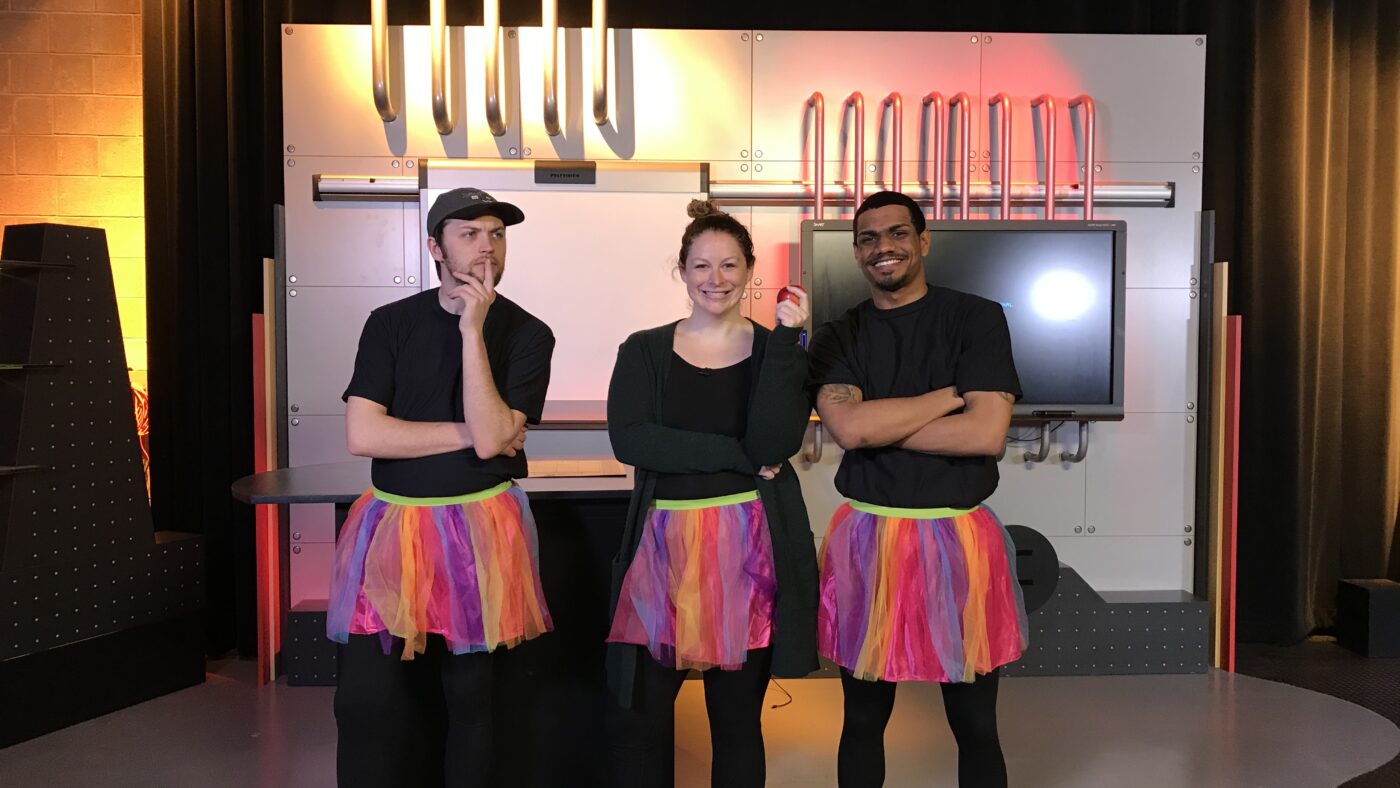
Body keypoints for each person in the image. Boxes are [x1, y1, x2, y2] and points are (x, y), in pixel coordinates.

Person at [327, 187, 556, 787]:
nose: (486, 246)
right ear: (435, 245)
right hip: (392, 527)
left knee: (474, 703)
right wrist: (476, 431)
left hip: (482, 531)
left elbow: (492, 441)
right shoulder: (390, 323)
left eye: (496, 234)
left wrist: (472, 332)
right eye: (469, 233)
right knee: (366, 702)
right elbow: (364, 433)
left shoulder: (529, 334)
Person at [807, 191, 1028, 788]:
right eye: (869, 238)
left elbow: (985, 433)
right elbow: (850, 429)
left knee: (976, 723)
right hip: (868, 540)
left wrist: (881, 426)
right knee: (862, 720)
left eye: (897, 234)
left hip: (960, 539)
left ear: (923, 240)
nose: (884, 248)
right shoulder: (837, 335)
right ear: (856, 252)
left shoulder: (977, 318)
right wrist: (944, 397)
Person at [603, 200, 820, 787]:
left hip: (749, 550)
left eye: (728, 266)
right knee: (642, 718)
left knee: (737, 721)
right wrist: (741, 456)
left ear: (750, 271)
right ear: (682, 271)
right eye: (701, 267)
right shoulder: (642, 350)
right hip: (663, 549)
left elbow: (778, 439)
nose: (715, 280)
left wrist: (787, 341)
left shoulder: (777, 349)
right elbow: (633, 441)